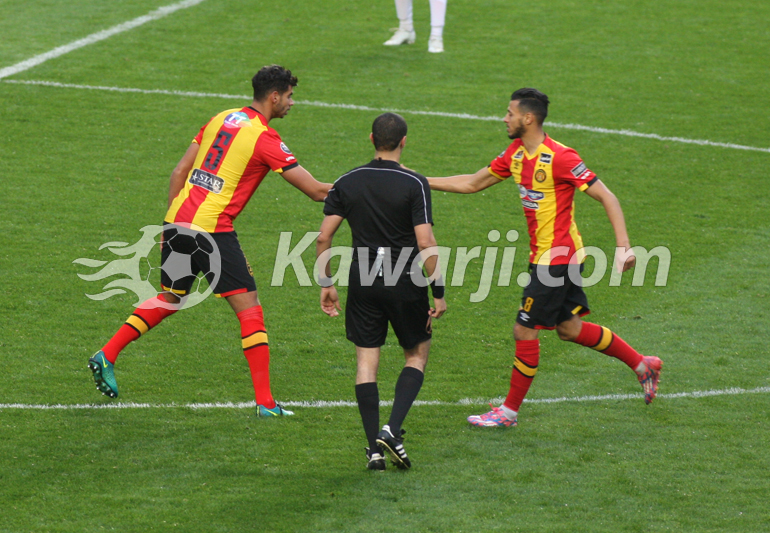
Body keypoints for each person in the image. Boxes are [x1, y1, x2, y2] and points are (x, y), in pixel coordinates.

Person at [87, 65, 332, 418]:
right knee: (250, 309)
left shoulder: (220, 118)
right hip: (212, 231)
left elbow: (179, 172)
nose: (292, 103)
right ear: (274, 96)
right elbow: (317, 191)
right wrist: (367, 187)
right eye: (290, 96)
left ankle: (107, 354)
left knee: (171, 297)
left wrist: (168, 229)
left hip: (178, 221)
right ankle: (266, 404)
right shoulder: (265, 138)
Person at [427, 88, 662, 427]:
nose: (505, 118)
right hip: (546, 257)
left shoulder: (561, 157)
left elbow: (607, 196)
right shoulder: (515, 154)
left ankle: (508, 412)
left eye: (510, 113)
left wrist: (623, 246)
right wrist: (420, 180)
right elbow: (472, 183)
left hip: (558, 260)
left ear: (528, 118)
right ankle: (643, 364)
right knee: (569, 329)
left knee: (524, 331)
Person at [316, 113, 447, 470]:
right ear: (404, 141)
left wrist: (326, 284)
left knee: (366, 362)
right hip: (405, 281)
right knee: (416, 354)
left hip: (363, 280)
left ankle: (373, 451)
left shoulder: (347, 181)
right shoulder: (414, 182)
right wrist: (438, 290)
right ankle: (391, 429)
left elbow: (324, 236)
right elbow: (425, 241)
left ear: (371, 139)